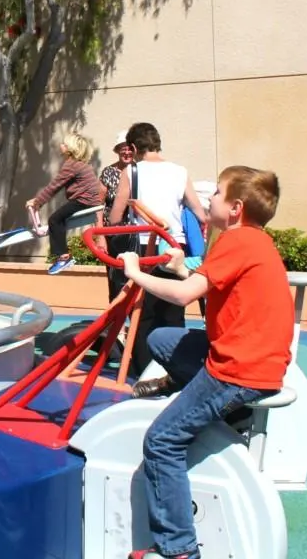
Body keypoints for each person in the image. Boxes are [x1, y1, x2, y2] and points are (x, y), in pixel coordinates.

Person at [119, 166, 293, 559]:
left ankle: (178, 549)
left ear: (234, 208)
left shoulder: (235, 241)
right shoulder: (254, 241)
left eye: (216, 192)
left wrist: (134, 273)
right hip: (259, 359)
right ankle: (201, 399)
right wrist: (182, 267)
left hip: (237, 368)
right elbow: (205, 284)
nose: (208, 198)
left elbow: (183, 297)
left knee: (161, 441)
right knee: (161, 339)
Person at [109, 122, 207, 373]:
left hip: (145, 247)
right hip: (175, 246)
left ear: (133, 146)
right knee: (174, 310)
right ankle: (173, 368)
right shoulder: (179, 171)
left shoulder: (131, 172)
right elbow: (200, 212)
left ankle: (144, 368)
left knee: (144, 312)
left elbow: (116, 217)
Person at [26, 132, 101, 275]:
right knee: (60, 219)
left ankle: (63, 257)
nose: (61, 145)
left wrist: (37, 201)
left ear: (70, 149)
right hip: (88, 200)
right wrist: (39, 203)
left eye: (64, 144)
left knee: (55, 219)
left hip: (83, 201)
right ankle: (63, 256)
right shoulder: (80, 164)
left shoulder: (71, 165)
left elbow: (54, 186)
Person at [93, 131, 136, 300]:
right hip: (113, 234)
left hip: (136, 234)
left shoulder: (141, 171)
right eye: (122, 149)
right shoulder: (108, 172)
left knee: (134, 277)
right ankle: (114, 318)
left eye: (129, 149)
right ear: (117, 151)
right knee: (115, 277)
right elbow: (98, 204)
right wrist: (100, 235)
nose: (126, 152)